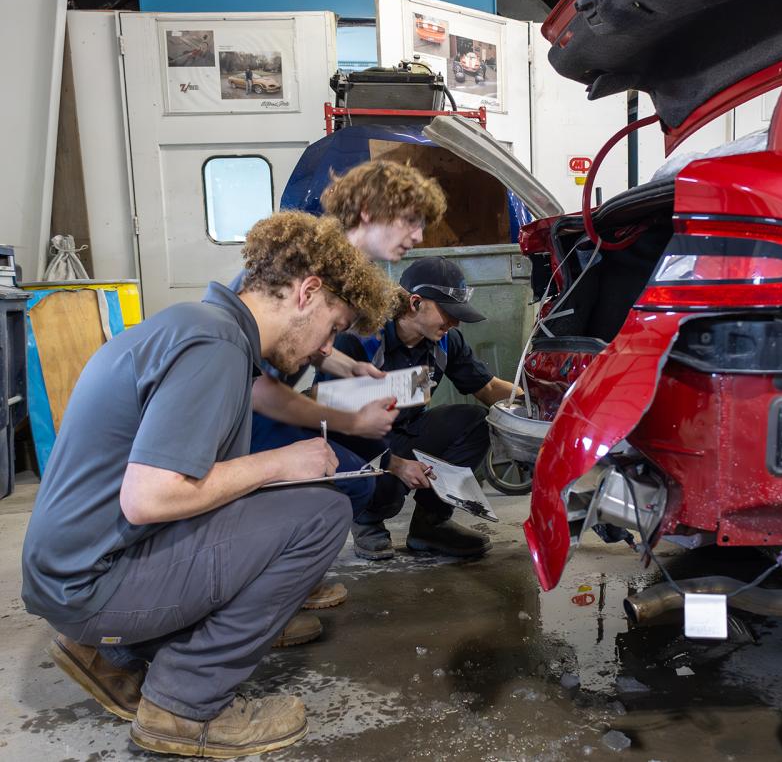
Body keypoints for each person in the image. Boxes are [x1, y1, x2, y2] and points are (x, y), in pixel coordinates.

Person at [21, 212, 395, 758]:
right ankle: (183, 705)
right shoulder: (214, 346)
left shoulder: (197, 325)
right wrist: (281, 463)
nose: (324, 348)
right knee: (322, 514)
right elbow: (150, 497)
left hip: (73, 569)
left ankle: (113, 654)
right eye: (333, 326)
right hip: (90, 585)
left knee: (268, 496)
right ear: (307, 292)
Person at [241, 160, 446, 610]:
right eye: (410, 221)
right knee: (344, 480)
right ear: (370, 210)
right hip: (247, 414)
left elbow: (303, 343)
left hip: (268, 400)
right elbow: (260, 377)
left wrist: (347, 369)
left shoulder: (338, 267)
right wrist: (350, 417)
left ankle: (283, 578)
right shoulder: (301, 264)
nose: (417, 237)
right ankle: (262, 596)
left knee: (355, 479)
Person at [335, 257, 521, 560]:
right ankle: (367, 519)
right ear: (415, 302)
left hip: (407, 431)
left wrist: (535, 406)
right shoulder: (359, 341)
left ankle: (429, 525)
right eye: (448, 313)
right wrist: (396, 465)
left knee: (477, 421)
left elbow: (486, 389)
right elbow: (334, 423)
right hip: (359, 442)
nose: (455, 323)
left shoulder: (445, 341)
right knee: (375, 464)